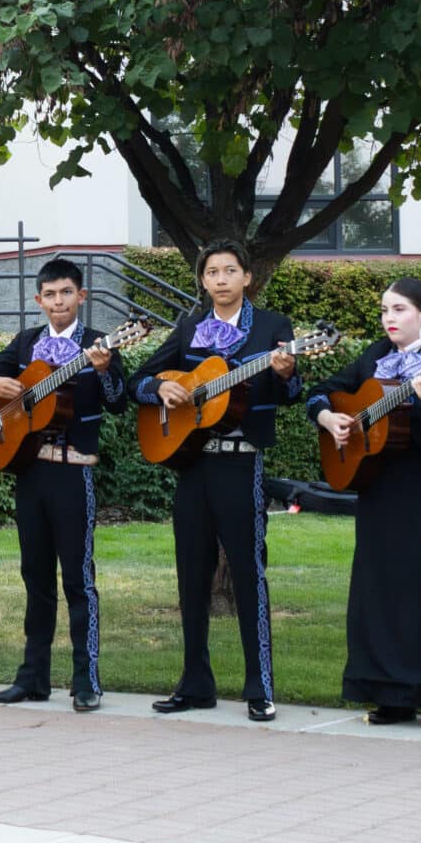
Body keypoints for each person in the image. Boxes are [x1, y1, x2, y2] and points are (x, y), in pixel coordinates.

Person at [131, 240, 301, 721]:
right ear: (203, 281)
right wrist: (160, 387)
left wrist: (287, 372)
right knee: (191, 575)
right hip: (192, 464)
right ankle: (195, 683)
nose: (221, 279)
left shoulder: (272, 328)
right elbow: (136, 382)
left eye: (229, 270)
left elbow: (291, 393)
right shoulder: (190, 327)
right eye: (212, 272)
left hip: (240, 464)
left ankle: (259, 686)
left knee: (248, 574)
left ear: (247, 277)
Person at [311, 277, 421, 730]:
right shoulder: (375, 356)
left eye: (399, 309)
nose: (389, 318)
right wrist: (329, 418)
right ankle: (390, 694)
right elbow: (323, 392)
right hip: (381, 482)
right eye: (385, 310)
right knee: (382, 585)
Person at [0, 257, 132, 712]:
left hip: (72, 471)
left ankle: (86, 680)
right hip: (29, 471)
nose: (58, 302)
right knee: (35, 577)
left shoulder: (98, 343)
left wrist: (104, 370)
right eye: (50, 295)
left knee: (78, 579)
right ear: (38, 299)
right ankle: (33, 677)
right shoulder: (26, 342)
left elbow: (119, 401)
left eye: (66, 293)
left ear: (81, 296)